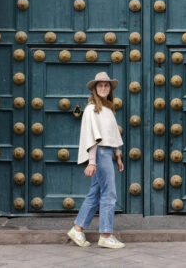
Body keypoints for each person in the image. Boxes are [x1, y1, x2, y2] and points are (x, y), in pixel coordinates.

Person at [67, 71, 125, 249]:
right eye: (100, 85)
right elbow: (92, 136)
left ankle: (77, 229)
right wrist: (91, 161)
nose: (103, 88)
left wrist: (118, 155)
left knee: (96, 193)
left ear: (110, 89)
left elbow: (111, 134)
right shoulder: (92, 109)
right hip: (99, 153)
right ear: (94, 89)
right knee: (109, 194)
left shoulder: (107, 108)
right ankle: (106, 235)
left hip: (107, 153)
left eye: (106, 85)